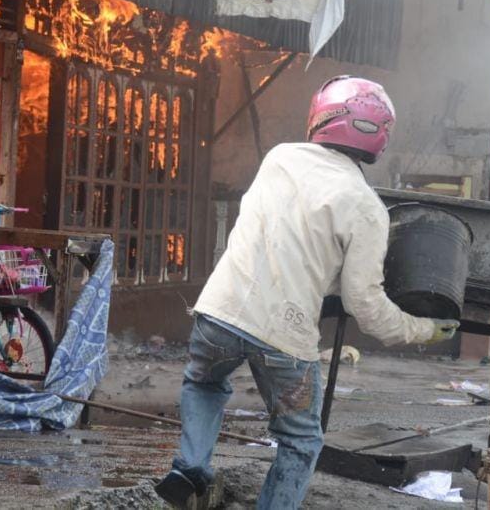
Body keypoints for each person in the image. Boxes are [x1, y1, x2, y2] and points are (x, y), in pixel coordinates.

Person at [155, 75, 460, 509]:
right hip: (284, 338)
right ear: (379, 137)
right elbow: (365, 306)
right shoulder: (366, 207)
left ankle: (189, 466)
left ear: (321, 117)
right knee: (299, 442)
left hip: (219, 313)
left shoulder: (279, 158)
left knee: (204, 383)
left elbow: (290, 235)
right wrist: (424, 330)